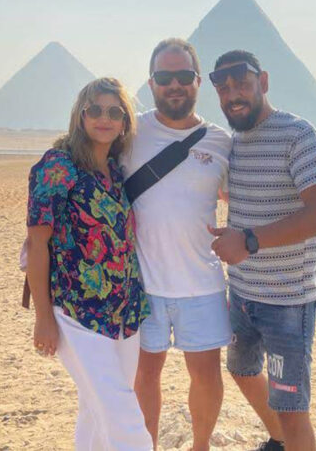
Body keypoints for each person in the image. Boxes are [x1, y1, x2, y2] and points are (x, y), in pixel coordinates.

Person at [207, 50, 316, 451]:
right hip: (242, 294)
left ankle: (287, 436)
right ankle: (278, 440)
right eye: (224, 89)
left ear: (263, 82)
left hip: (287, 302)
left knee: (291, 406)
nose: (233, 95)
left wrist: (248, 240)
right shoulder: (234, 144)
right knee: (242, 370)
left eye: (242, 84)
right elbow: (238, 192)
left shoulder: (298, 134)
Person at [26, 77, 152, 450]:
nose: (104, 118)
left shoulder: (115, 170)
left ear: (125, 121)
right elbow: (37, 243)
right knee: (125, 419)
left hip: (124, 313)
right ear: (80, 115)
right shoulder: (58, 165)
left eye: (115, 112)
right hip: (76, 313)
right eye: (94, 109)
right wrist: (43, 317)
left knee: (97, 413)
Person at [121, 39, 232, 451]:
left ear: (198, 81)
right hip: (144, 283)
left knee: (206, 375)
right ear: (151, 83)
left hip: (201, 283)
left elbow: (241, 196)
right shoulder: (129, 131)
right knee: (145, 374)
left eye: (183, 76)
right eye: (164, 77)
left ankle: (200, 446)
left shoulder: (220, 142)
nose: (174, 85)